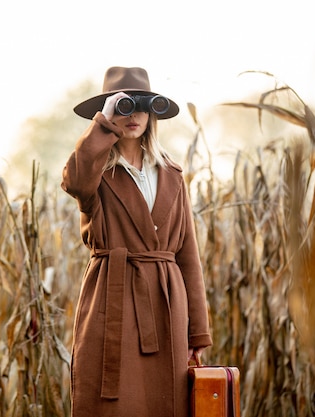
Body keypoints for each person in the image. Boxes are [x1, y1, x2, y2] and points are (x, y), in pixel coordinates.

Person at [61, 66, 212, 417]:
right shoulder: (97, 173)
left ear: (154, 114)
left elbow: (188, 255)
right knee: (111, 402)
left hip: (166, 302)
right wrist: (106, 124)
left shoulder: (172, 174)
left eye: (143, 106)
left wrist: (197, 333)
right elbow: (74, 180)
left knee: (165, 401)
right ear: (108, 113)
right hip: (112, 299)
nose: (135, 115)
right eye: (126, 106)